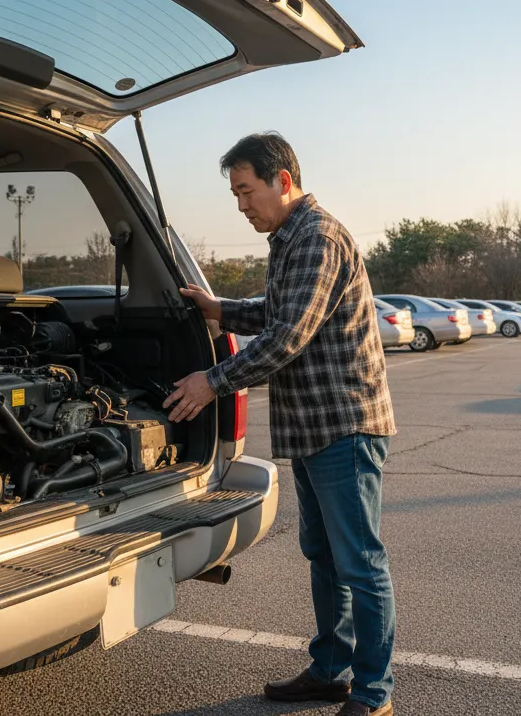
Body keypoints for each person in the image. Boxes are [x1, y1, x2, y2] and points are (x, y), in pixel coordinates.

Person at [163, 132, 397, 716]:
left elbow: (288, 338)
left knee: (360, 562)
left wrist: (210, 381)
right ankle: (331, 670)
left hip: (343, 426)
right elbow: (279, 312)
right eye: (236, 194)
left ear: (282, 181)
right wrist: (221, 311)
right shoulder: (291, 240)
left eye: (246, 191)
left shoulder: (317, 238)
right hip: (315, 430)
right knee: (324, 554)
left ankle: (374, 693)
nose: (241, 205)